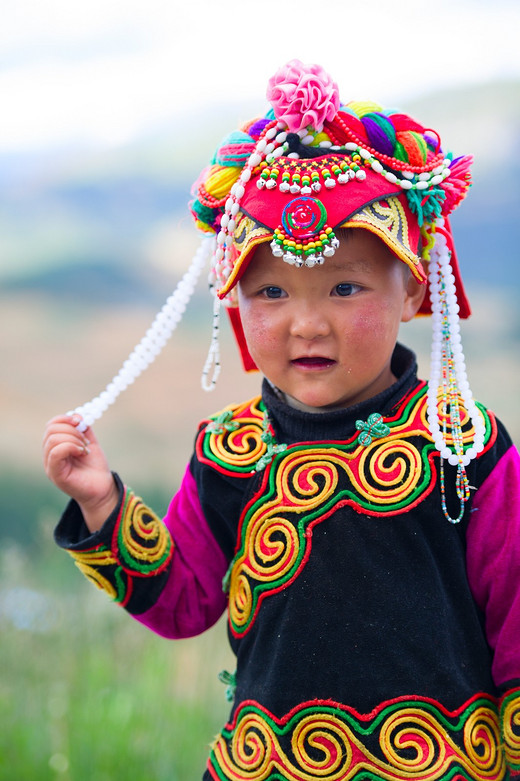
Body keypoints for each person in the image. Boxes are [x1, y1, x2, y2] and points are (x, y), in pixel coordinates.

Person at [43, 60, 520, 780]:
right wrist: (103, 505)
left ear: (414, 283)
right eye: (270, 290)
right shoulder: (229, 452)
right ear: (233, 299)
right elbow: (184, 602)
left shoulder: (466, 445)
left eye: (345, 285)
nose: (306, 323)